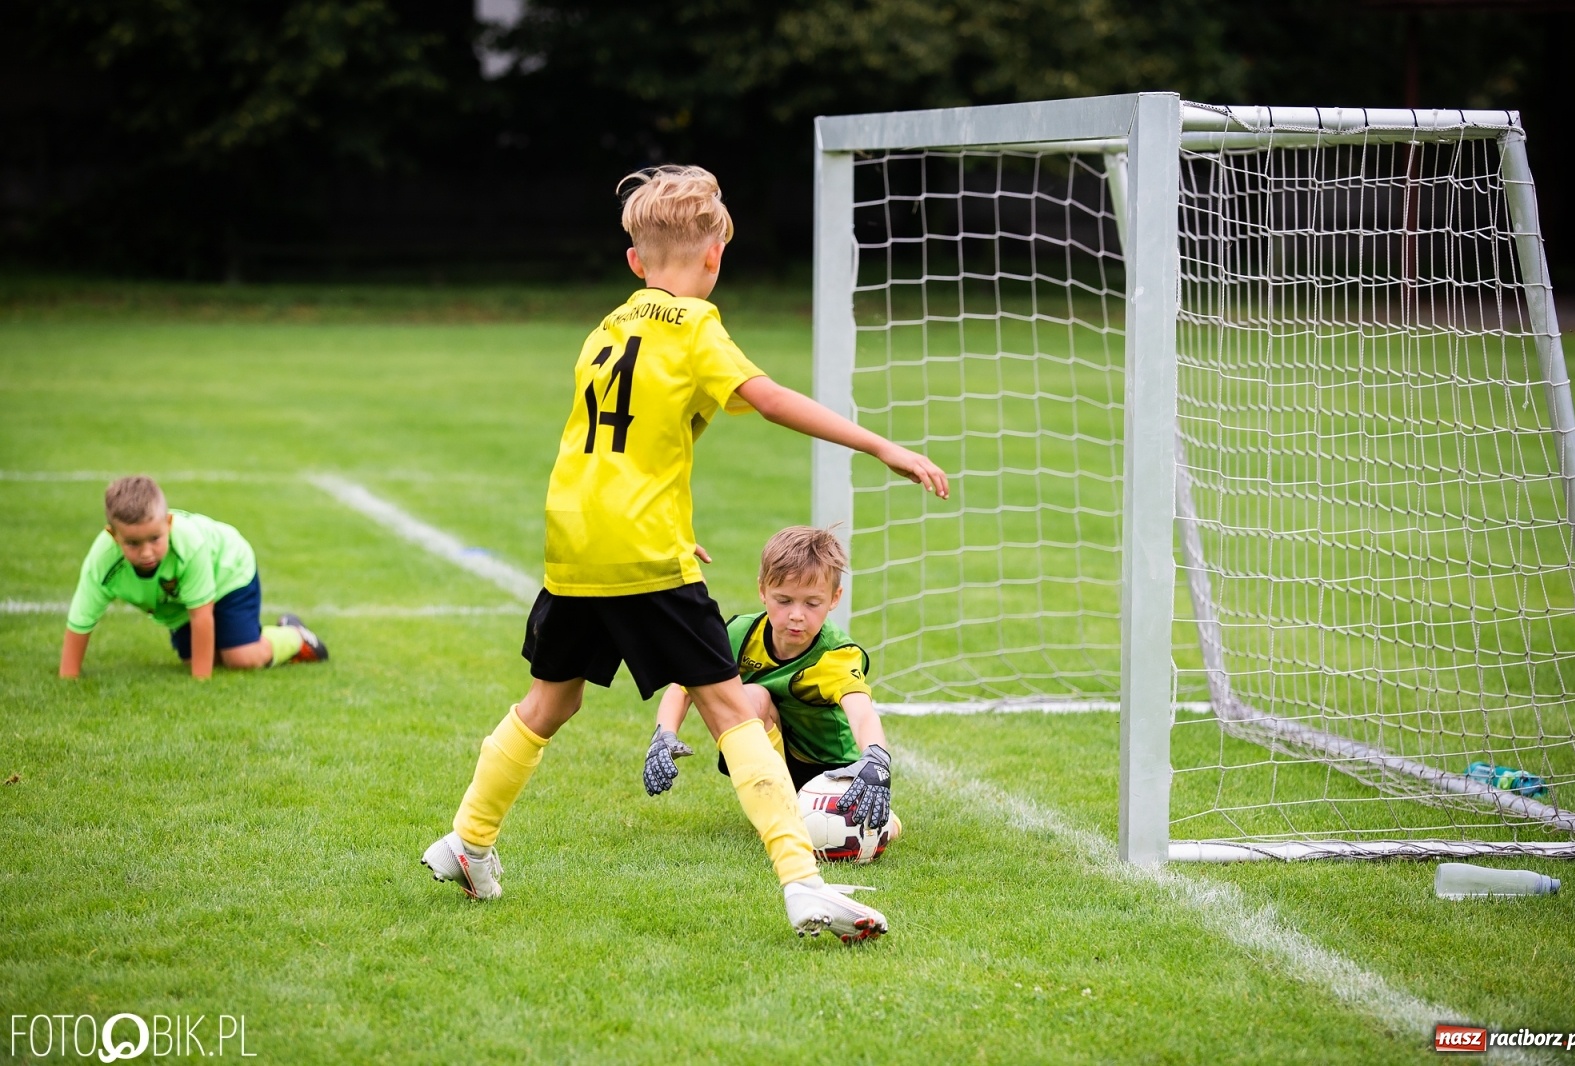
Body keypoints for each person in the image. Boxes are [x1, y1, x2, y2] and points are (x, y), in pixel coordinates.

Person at [421, 165, 947, 944]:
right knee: (732, 708)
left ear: (635, 262)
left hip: (576, 541)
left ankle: (467, 841)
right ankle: (804, 886)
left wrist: (662, 527)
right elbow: (767, 398)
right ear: (715, 258)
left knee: (550, 703)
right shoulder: (696, 328)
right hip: (640, 552)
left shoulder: (605, 328)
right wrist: (878, 444)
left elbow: (620, 447)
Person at [643, 526, 900, 859]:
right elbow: (685, 685)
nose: (796, 614)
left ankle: (882, 822)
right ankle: (774, 799)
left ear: (835, 599)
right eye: (784, 600)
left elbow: (862, 711)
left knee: (872, 827)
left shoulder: (835, 655)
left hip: (833, 768)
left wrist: (876, 758)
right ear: (763, 591)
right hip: (776, 754)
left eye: (812, 603)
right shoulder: (741, 633)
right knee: (749, 697)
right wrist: (664, 734)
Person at [59, 475, 328, 680]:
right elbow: (81, 620)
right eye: (132, 543)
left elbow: (201, 615)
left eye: (155, 538)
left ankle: (294, 636)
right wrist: (68, 678)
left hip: (228, 572)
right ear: (113, 536)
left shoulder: (189, 545)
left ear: (169, 523)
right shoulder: (103, 561)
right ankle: (250, 638)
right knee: (203, 658)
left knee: (240, 658)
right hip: (178, 602)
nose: (146, 552)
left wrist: (202, 681)